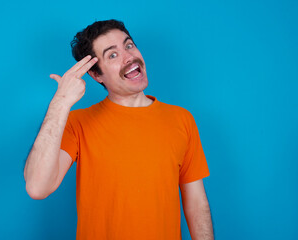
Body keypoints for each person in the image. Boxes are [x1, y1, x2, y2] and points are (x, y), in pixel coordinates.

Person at [24, 19, 214, 240]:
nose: (129, 57)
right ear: (96, 75)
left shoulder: (182, 119)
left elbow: (197, 204)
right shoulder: (78, 123)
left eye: (129, 45)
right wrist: (60, 103)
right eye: (112, 55)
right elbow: (37, 188)